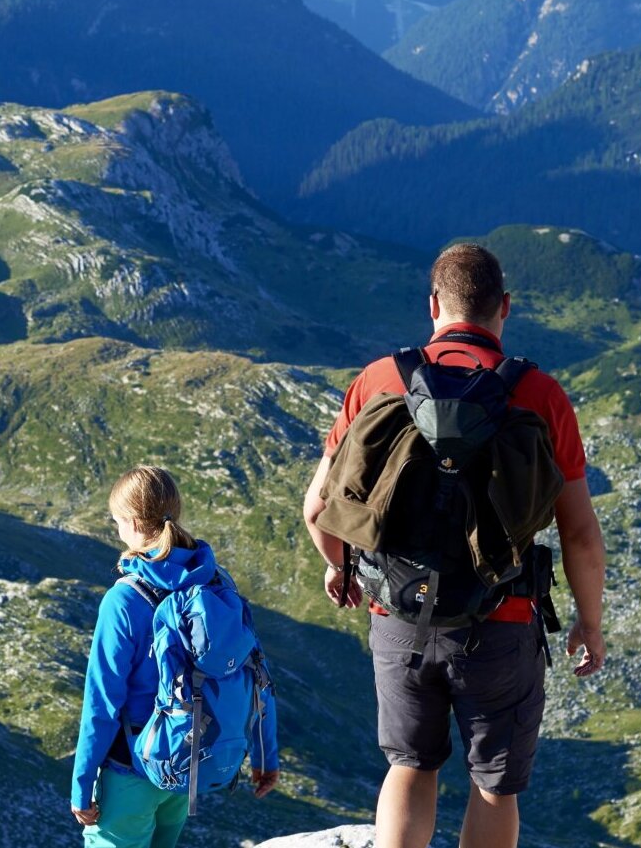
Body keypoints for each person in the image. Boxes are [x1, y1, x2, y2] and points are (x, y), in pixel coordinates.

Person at [299, 243, 607, 848]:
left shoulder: (380, 380)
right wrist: (588, 624)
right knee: (494, 783)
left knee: (410, 765)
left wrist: (341, 570)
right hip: (503, 619)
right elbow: (579, 533)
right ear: (505, 308)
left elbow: (318, 509)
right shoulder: (541, 395)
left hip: (398, 613)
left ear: (434, 305)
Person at [70, 466, 281, 848]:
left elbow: (101, 703)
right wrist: (266, 755)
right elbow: (256, 674)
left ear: (133, 523)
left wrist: (82, 785)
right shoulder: (218, 583)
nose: (117, 528)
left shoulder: (124, 600)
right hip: (187, 770)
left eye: (117, 521)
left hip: (131, 769)